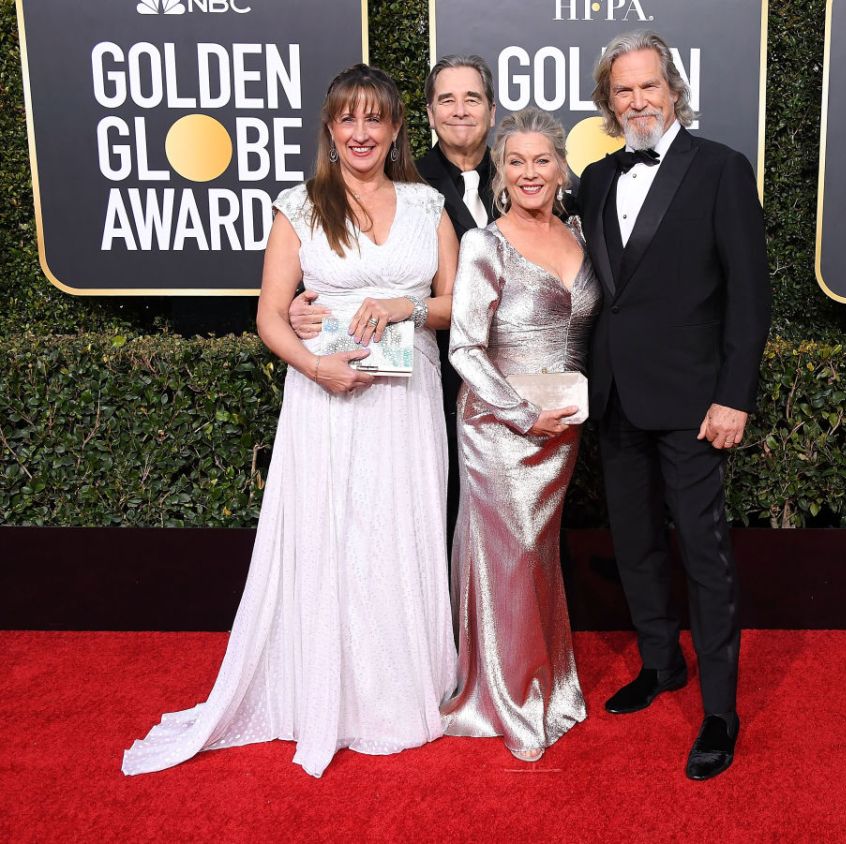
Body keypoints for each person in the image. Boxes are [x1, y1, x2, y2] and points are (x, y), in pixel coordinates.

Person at [121, 64, 459, 778]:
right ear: (331, 132)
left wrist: (404, 306)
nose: (362, 132)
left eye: (376, 118)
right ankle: (323, 690)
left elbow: (455, 306)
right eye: (348, 119)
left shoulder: (430, 205)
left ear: (398, 128)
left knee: (399, 529)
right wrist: (316, 369)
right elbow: (271, 317)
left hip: (407, 400)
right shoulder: (300, 206)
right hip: (324, 398)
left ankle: (398, 689)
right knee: (333, 534)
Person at [578, 31, 771, 781]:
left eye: (648, 86)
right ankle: (661, 664)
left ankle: (721, 710)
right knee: (634, 543)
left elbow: (750, 297)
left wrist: (734, 396)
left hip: (696, 404)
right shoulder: (594, 178)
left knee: (705, 555)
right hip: (616, 397)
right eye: (622, 91)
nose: (638, 101)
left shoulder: (720, 168)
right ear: (608, 101)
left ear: (673, 89)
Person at [440, 107, 602, 763]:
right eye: (516, 161)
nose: (530, 172)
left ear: (561, 168)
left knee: (539, 556)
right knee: (512, 561)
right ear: (500, 173)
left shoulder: (583, 235)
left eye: (542, 160)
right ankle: (511, 704)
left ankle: (549, 683)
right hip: (498, 427)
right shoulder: (486, 243)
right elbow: (465, 350)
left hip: (561, 428)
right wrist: (516, 412)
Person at [289, 55, 499, 551]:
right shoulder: (421, 186)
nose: (460, 110)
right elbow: (280, 304)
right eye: (447, 99)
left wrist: (409, 307)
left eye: (472, 98)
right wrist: (301, 315)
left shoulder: (525, 171)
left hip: (484, 378)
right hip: (421, 382)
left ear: (492, 110)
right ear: (426, 114)